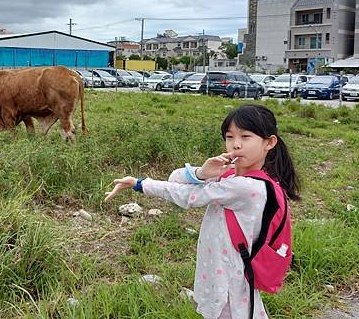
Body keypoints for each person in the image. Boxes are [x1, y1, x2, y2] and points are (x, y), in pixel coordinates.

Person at [104, 104, 300, 319]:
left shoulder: (246, 187)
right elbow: (175, 178)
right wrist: (202, 172)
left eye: (245, 137)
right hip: (224, 269)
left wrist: (139, 184)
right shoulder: (231, 176)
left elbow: (188, 197)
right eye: (229, 137)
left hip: (229, 275)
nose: (235, 145)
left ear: (269, 143)